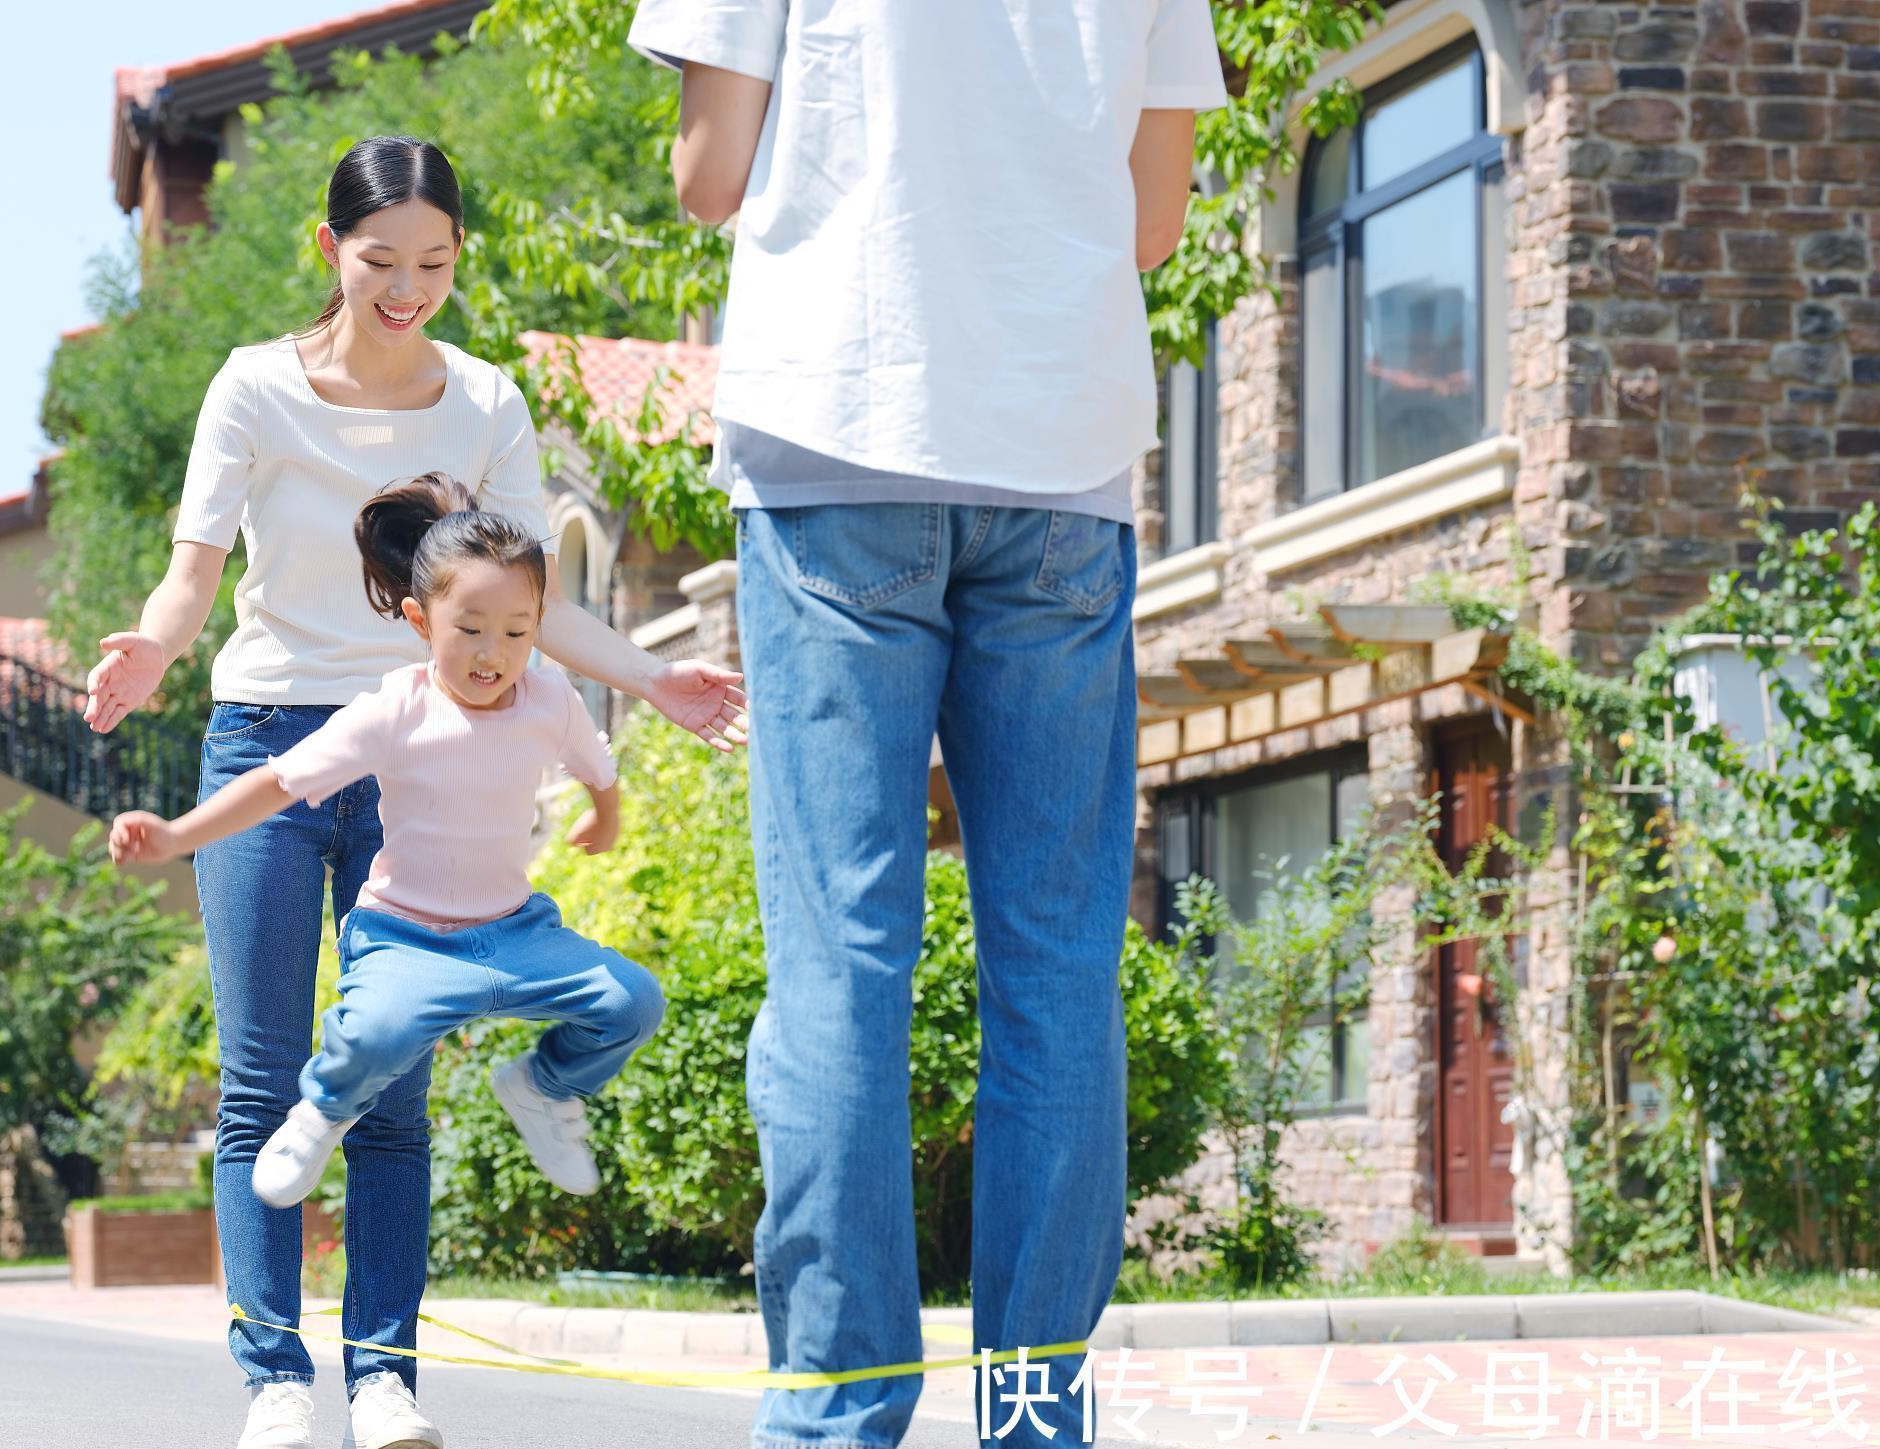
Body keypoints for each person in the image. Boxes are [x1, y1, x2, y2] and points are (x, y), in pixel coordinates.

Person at [624, 4, 1227, 1445]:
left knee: (842, 954)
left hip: (837, 435)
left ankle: (838, 1414)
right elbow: (1154, 220)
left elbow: (710, 176)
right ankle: (1034, 1416)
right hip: (1060, 460)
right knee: (1060, 958)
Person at [83, 136, 744, 1449]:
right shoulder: (252, 389)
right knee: (268, 1078)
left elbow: (530, 604)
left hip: (425, 750)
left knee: (387, 1079)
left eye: (435, 263)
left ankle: (383, 1377)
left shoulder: (487, 403)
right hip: (269, 737)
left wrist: (649, 675)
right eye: (383, 260)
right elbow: (194, 574)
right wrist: (156, 645)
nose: (409, 287)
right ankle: (275, 1378)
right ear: (328, 249)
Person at [109, 471, 663, 1221]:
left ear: (538, 624)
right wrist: (177, 833)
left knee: (632, 1001)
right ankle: (324, 1109)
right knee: (380, 1034)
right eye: (469, 629)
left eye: (517, 631)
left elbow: (598, 765)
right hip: (408, 935)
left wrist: (607, 818)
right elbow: (276, 783)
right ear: (419, 620)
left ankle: (544, 1087)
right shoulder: (392, 710)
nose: (492, 654)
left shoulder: (547, 699)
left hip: (515, 931)